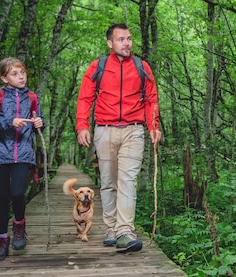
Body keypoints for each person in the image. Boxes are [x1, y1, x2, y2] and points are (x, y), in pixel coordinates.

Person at [76, 23, 161, 253]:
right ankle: (111, 227)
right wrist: (82, 125)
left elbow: (151, 99)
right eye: (121, 39)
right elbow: (85, 98)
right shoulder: (98, 67)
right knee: (109, 181)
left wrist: (154, 126)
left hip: (134, 130)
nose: (127, 43)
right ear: (110, 43)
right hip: (105, 129)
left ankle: (125, 230)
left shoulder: (142, 67)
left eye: (129, 39)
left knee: (128, 180)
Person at [0, 57, 44, 261]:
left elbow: (40, 123)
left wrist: (39, 123)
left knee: (17, 193)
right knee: (2, 198)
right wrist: (10, 121)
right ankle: (1, 240)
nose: (21, 77)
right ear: (4, 78)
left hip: (24, 153)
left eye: (22, 73)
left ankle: (19, 225)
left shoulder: (32, 97)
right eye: (15, 74)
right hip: (0, 153)